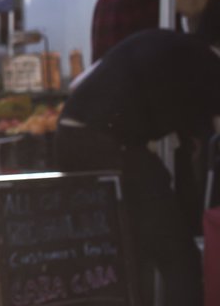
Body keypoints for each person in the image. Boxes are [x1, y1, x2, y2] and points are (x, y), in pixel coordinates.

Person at [56, 29, 220, 306]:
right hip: (109, 146)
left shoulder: (170, 43)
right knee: (178, 256)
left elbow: (79, 84)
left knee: (126, 253)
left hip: (69, 136)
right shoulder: (209, 66)